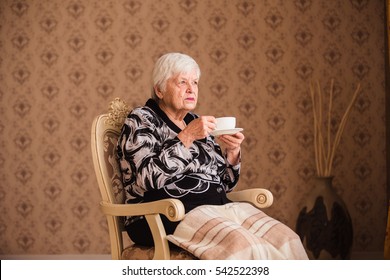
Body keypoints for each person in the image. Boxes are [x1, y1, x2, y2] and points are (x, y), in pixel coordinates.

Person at [117, 52, 308, 259]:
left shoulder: (196, 121)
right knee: (244, 245)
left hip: (217, 208)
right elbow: (147, 178)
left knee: (286, 240)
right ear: (160, 90)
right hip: (165, 213)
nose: (191, 89)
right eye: (182, 82)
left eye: (195, 82)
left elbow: (224, 184)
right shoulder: (142, 119)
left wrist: (233, 153)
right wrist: (187, 136)